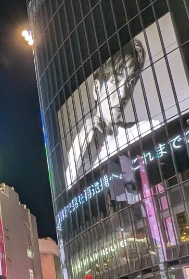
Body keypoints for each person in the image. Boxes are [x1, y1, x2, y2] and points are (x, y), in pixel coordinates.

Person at [64, 38, 154, 188]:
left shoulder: (145, 129)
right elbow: (69, 190)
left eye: (131, 82)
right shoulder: (79, 147)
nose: (124, 93)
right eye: (115, 81)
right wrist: (82, 143)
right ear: (97, 89)